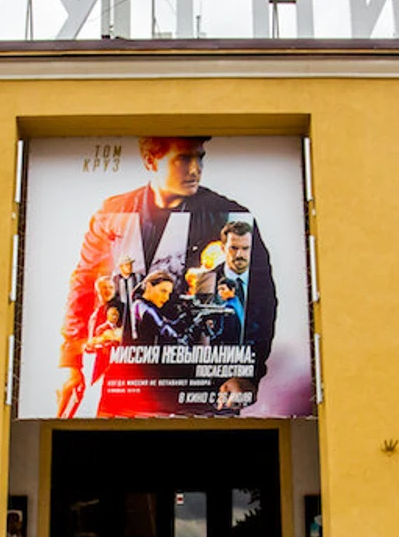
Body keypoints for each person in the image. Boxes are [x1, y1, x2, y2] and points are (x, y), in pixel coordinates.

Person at [54, 137, 278, 416]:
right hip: (125, 387)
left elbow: (259, 299)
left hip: (203, 391)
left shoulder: (229, 216)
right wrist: (70, 363)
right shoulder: (112, 213)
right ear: (150, 161)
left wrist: (248, 374)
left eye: (200, 158)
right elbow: (84, 285)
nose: (195, 169)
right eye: (183, 159)